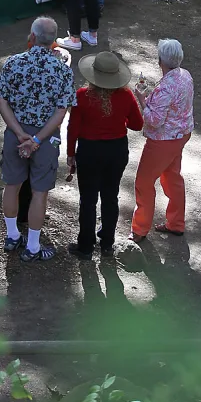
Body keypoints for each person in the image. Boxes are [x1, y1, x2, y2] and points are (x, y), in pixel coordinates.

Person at [0, 15, 76, 263]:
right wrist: (38, 139)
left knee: (12, 184)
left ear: (32, 37)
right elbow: (61, 112)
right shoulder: (62, 71)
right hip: (46, 139)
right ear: (54, 43)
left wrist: (20, 134)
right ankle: (32, 247)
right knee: (40, 191)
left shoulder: (13, 63)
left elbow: (1, 101)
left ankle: (11, 236)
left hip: (15, 134)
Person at [66, 50, 143, 260]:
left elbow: (73, 128)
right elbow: (137, 124)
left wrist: (70, 154)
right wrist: (119, 120)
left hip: (89, 151)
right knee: (110, 197)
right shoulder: (126, 95)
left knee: (88, 200)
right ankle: (107, 243)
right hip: (116, 150)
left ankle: (86, 246)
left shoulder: (82, 95)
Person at [131, 38, 194, 240]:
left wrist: (142, 100)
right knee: (172, 176)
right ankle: (176, 222)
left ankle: (139, 229)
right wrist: (152, 100)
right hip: (182, 134)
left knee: (144, 182)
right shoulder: (185, 76)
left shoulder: (166, 87)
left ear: (161, 61)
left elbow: (154, 120)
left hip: (163, 141)